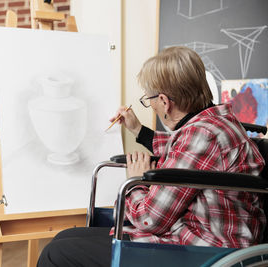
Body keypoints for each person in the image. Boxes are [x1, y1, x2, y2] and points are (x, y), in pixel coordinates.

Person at [37, 46, 266, 267]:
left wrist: (135, 184)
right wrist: (139, 130)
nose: (151, 105)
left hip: (202, 250)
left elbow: (149, 219)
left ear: (164, 101)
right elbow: (181, 151)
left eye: (150, 99)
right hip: (197, 238)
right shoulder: (217, 121)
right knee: (65, 237)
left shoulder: (202, 135)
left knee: (56, 254)